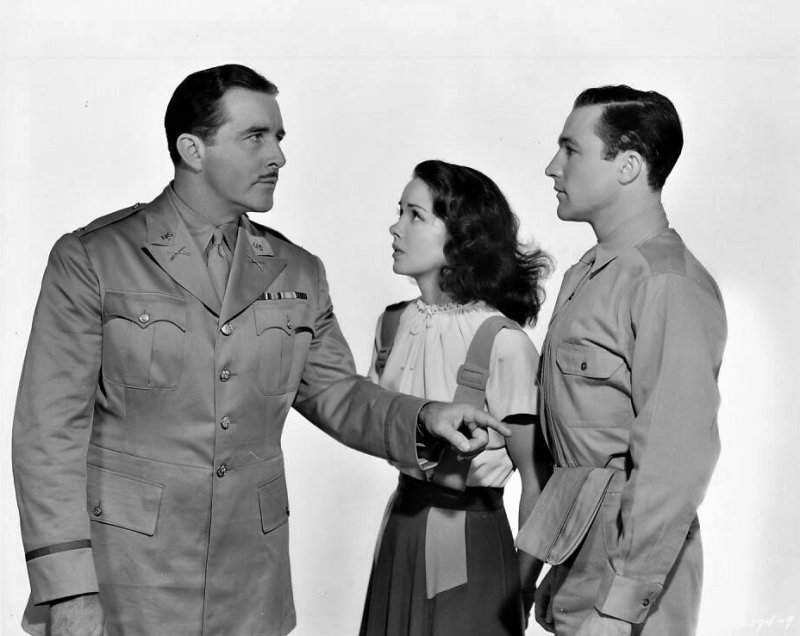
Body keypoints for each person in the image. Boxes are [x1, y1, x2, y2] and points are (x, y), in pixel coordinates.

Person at [10, 65, 509, 636]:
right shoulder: (94, 258)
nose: (278, 156)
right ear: (193, 150)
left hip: (250, 587)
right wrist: (69, 591)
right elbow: (48, 435)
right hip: (126, 582)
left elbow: (337, 393)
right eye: (255, 137)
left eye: (279, 137)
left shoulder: (297, 270)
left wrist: (425, 417)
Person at [519, 86, 727, 636]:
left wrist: (618, 607)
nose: (552, 167)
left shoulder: (666, 282)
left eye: (571, 149)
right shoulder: (592, 272)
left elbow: (673, 461)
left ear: (628, 166)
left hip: (630, 579)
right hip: (578, 556)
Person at [359, 160, 552, 636]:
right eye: (400, 212)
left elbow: (537, 481)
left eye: (415, 215)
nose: (396, 227)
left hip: (471, 541)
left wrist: (521, 585)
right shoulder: (391, 325)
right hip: (400, 528)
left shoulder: (502, 342)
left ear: (462, 236)